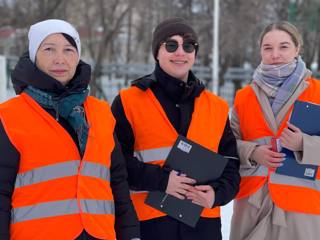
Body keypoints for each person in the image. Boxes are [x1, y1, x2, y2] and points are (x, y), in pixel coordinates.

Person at [0, 19, 140, 240]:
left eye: (68, 50)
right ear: (34, 56)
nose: (60, 59)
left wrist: (131, 234)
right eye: (48, 49)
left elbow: (117, 183)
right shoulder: (9, 116)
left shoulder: (101, 113)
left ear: (78, 56)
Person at [111, 17, 240, 240]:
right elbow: (115, 164)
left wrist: (216, 195)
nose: (181, 52)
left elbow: (231, 166)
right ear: (157, 53)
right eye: (171, 45)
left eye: (188, 46)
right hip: (149, 226)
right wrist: (162, 181)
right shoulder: (128, 101)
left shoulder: (217, 107)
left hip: (203, 228)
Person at [230, 21, 320, 240]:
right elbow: (227, 143)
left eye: (284, 46)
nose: (275, 54)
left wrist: (303, 144)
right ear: (260, 51)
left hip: (301, 207)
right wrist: (252, 152)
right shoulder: (244, 97)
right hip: (252, 204)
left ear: (297, 48)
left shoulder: (317, 92)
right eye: (268, 48)